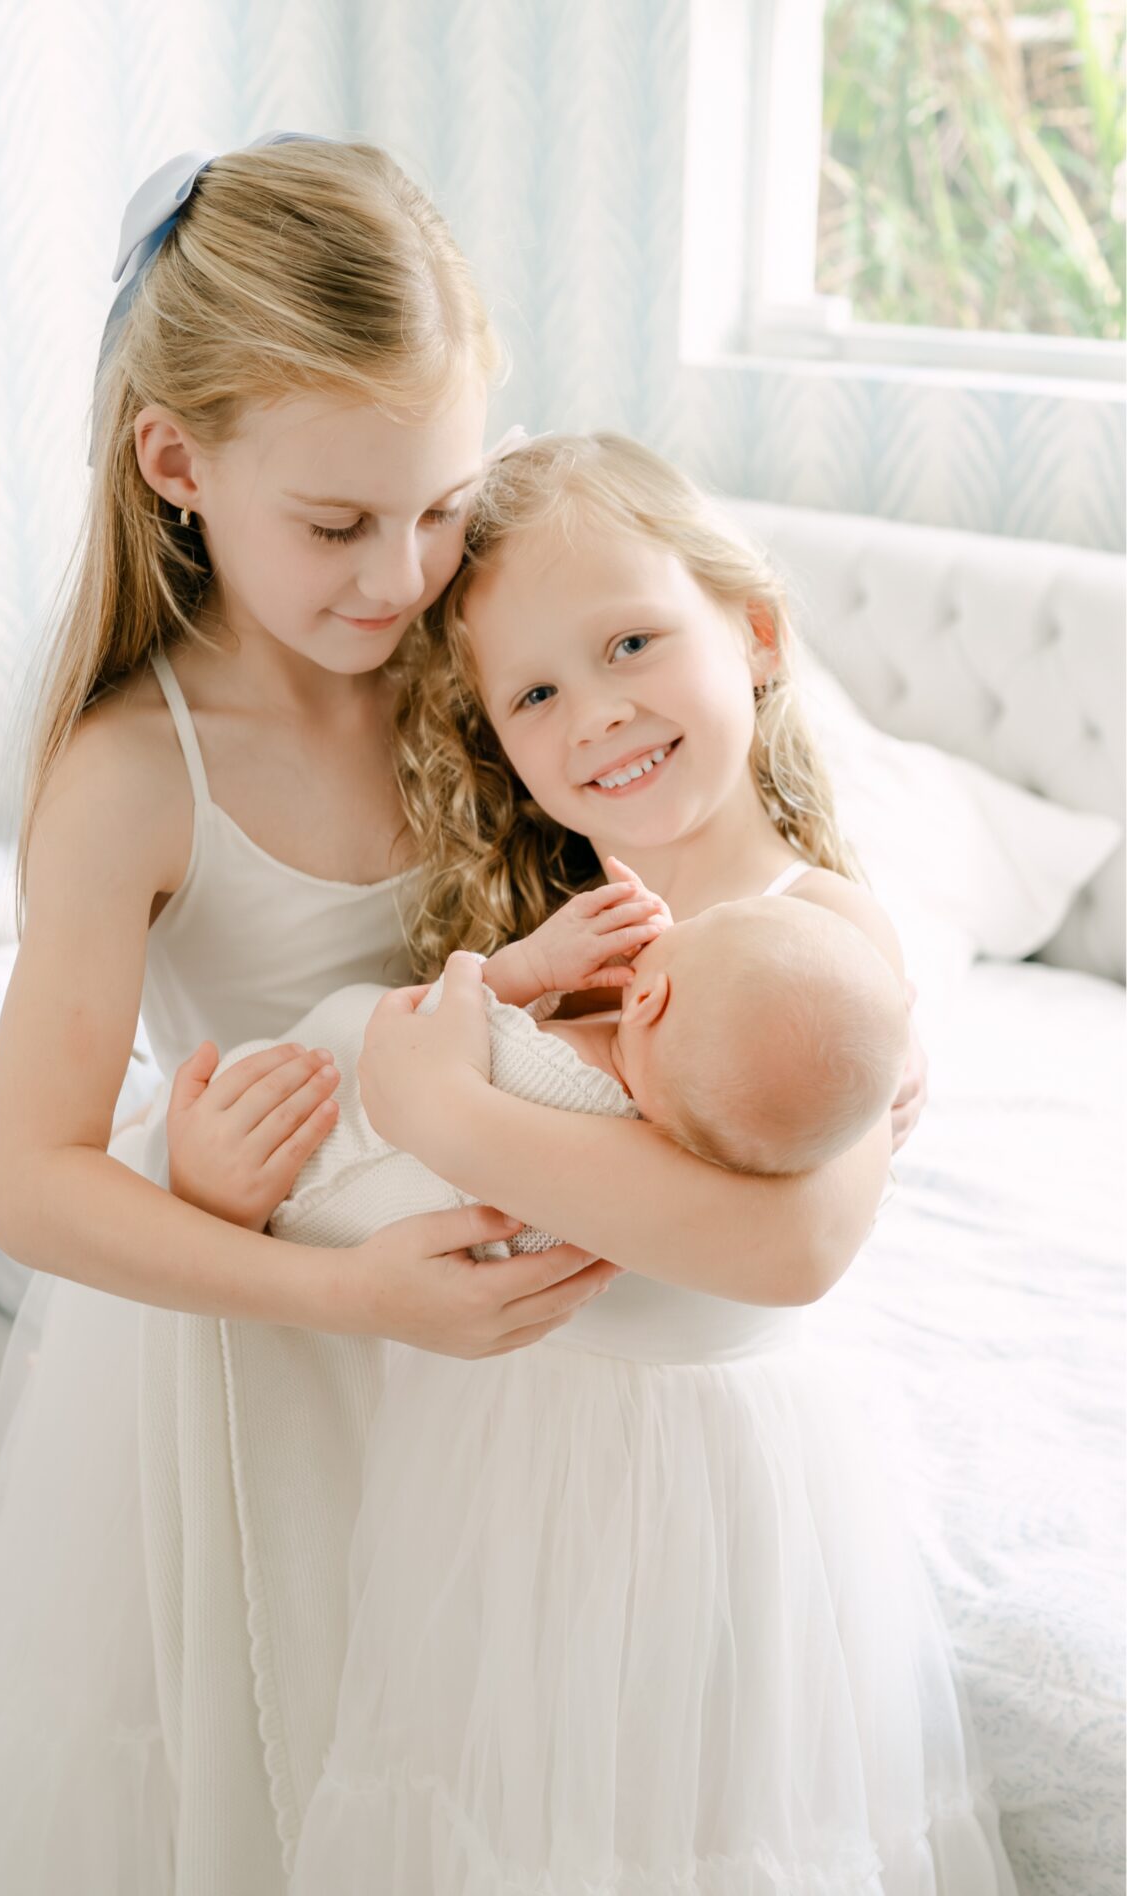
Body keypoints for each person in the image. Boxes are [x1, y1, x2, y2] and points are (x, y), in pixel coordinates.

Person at [0, 148, 922, 1892]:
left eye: (442, 504)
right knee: (267, 1779)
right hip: (284, 1327)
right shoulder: (139, 773)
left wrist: (848, 1004)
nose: (403, 571)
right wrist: (336, 1284)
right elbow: (34, 1183)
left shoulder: (490, 659)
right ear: (177, 467)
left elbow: (711, 820)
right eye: (341, 525)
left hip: (518, 1370)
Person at [268, 431, 1007, 1889]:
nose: (597, 714)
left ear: (755, 633)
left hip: (701, 1479)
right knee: (501, 1812)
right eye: (537, 691)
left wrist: (454, 1120)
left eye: (630, 642)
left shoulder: (825, 933)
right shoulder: (562, 926)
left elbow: (792, 1254)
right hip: (511, 1450)